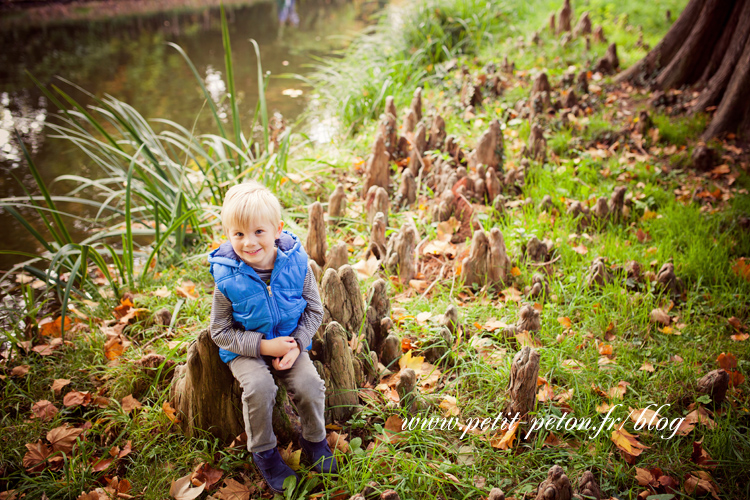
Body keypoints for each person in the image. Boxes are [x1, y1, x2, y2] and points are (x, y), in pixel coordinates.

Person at [208, 181, 337, 493]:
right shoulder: (228, 279)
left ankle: (314, 440)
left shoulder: (297, 266)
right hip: (246, 348)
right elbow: (220, 331)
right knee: (260, 388)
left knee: (310, 385)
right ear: (228, 235)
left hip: (291, 341)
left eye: (258, 232)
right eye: (238, 234)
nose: (249, 242)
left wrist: (298, 344)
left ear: (277, 229)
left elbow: (314, 310)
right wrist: (263, 346)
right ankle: (264, 452)